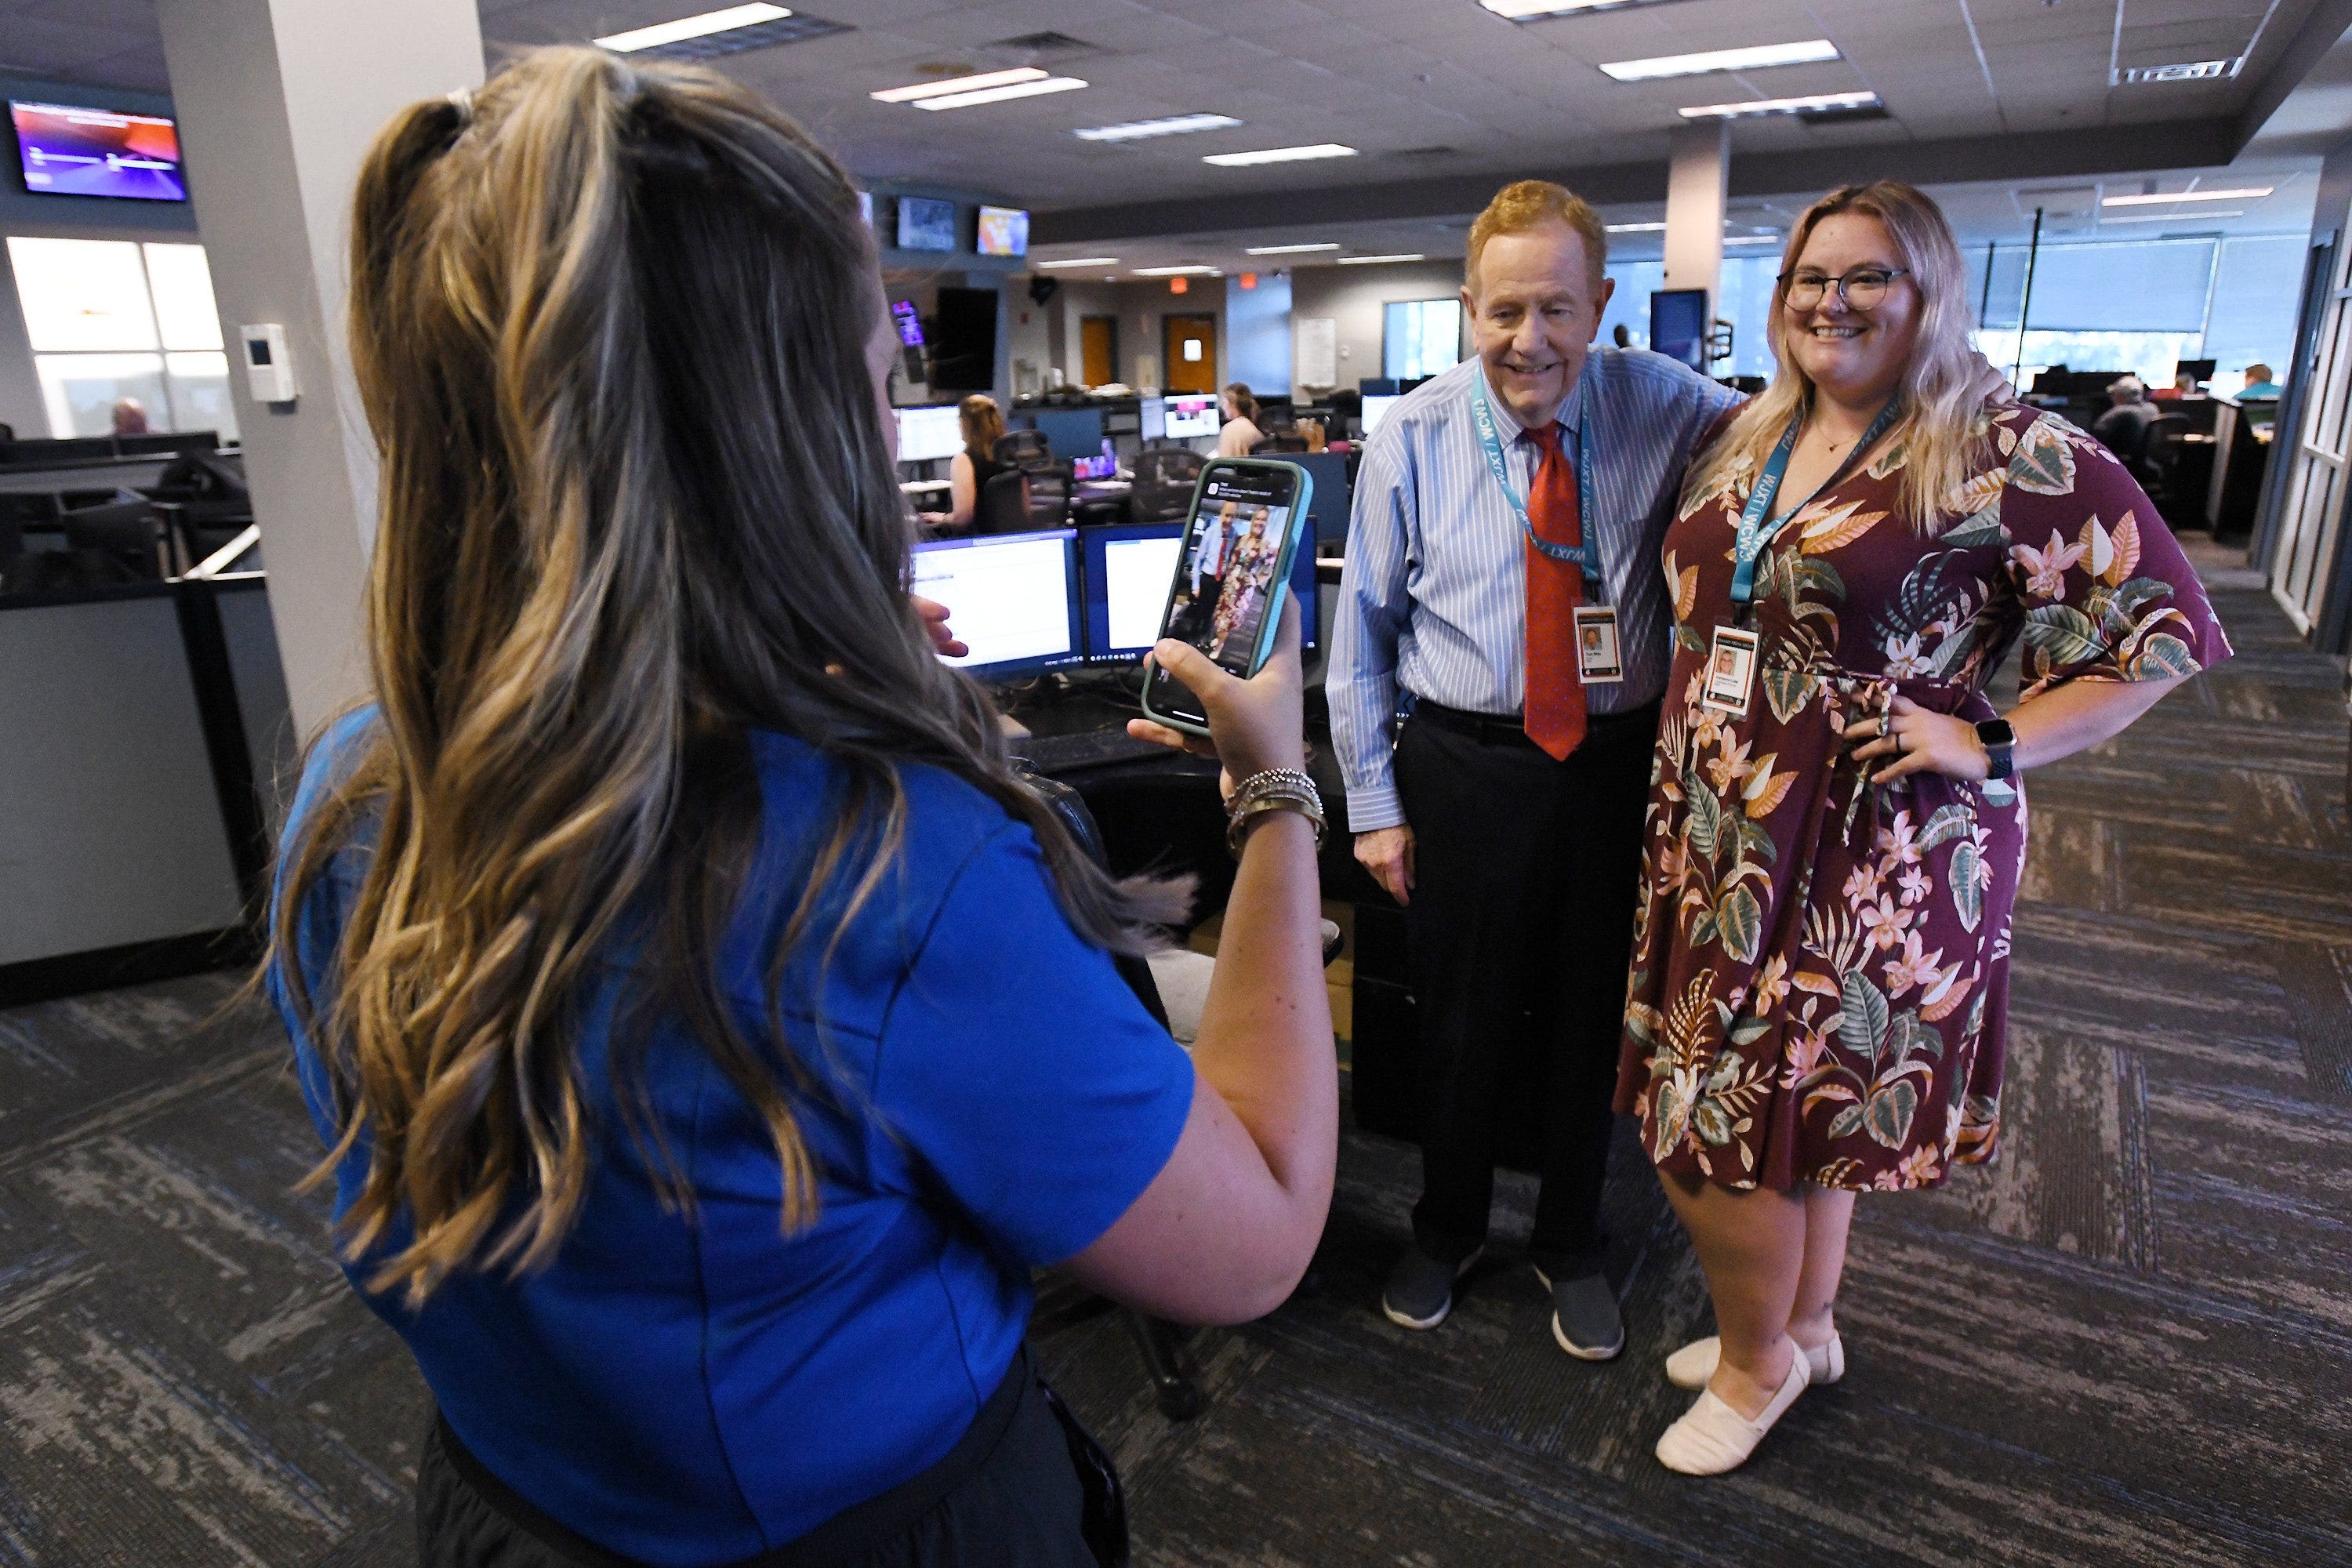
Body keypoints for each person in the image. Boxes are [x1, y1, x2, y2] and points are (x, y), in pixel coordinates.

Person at [265, 49, 1338, 1567]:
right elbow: (1262, 1233)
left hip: (520, 1507)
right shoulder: (892, 870)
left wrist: (808, 675)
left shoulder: (355, 790)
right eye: (870, 365)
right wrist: (1275, 783)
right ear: (792, 430)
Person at [1615, 180, 2229, 1477]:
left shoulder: (2004, 448)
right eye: (1807, 278)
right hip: (1727, 825)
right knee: (1802, 1114)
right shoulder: (1751, 432)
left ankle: (1754, 1361)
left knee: (1712, 1123)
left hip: (1869, 841)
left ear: (1929, 292)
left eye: (1867, 277)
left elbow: (2160, 638)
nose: (1830, 303)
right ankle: (1810, 1325)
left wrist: (1988, 734)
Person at [1325, 180, 1748, 1360]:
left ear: (1602, 304)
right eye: (1504, 311)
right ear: (1468, 308)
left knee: (1589, 1023)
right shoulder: (1411, 430)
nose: (1530, 340)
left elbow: (1806, 431)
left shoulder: (1671, 405)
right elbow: (1357, 630)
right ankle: (1446, 1225)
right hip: (1464, 764)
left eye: (1558, 310)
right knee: (1456, 1021)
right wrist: (1373, 809)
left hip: (1618, 768)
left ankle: (1572, 1239)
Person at [918, 393, 1008, 532]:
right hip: (1008, 536)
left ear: (966, 424)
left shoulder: (964, 460)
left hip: (973, 542)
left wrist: (943, 518)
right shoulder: (1009, 456)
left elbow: (962, 519)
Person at [2090, 376, 2157, 466]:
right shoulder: (2152, 409)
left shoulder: (2120, 413)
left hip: (2124, 466)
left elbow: (2095, 437)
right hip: (2150, 462)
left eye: (2114, 394)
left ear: (2120, 395)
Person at [1216, 382, 1265, 457]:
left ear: (1233, 404)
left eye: (1224, 403)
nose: (1223, 407)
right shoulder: (1254, 428)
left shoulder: (1229, 429)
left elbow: (1223, 466)